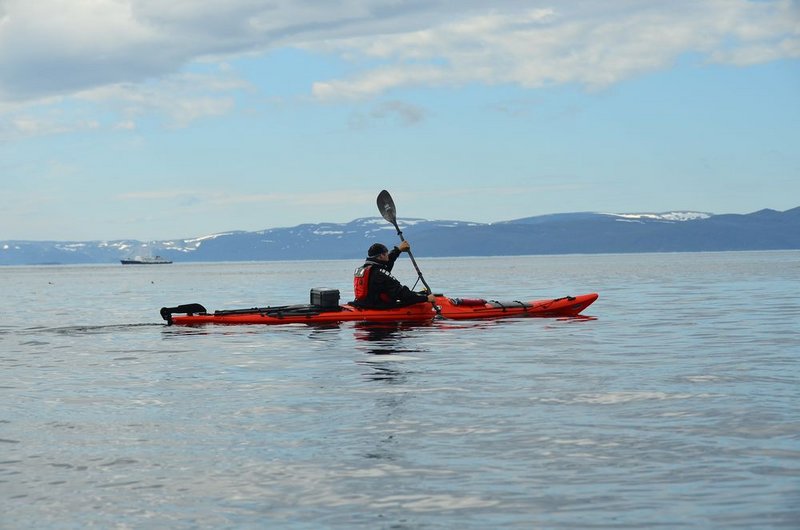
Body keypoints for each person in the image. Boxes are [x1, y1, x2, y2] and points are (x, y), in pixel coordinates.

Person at [352, 240, 437, 308]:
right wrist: (426, 298)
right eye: (386, 253)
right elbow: (402, 294)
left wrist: (398, 250)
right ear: (381, 256)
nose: (388, 256)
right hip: (378, 306)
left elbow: (387, 263)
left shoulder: (365, 269)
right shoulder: (380, 273)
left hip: (362, 303)